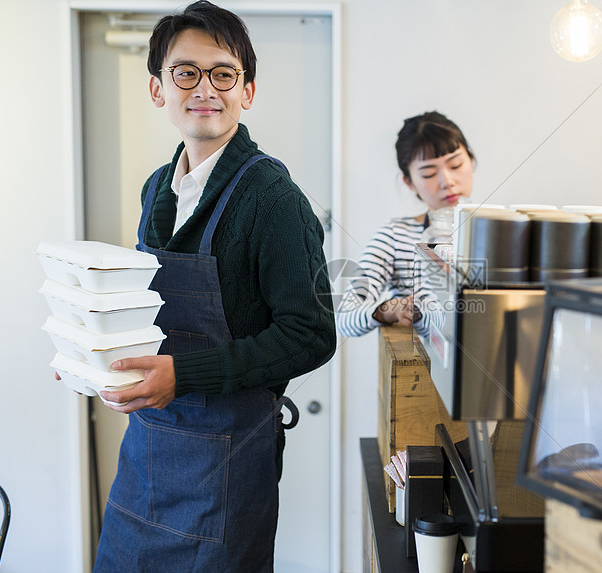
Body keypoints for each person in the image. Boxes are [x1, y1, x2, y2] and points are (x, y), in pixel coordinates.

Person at [91, 2, 336, 570]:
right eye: (185, 72)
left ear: (246, 90)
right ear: (158, 89)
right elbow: (145, 307)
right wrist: (93, 349)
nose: (205, 88)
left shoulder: (272, 199)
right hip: (149, 454)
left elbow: (311, 334)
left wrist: (185, 374)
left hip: (227, 466)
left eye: (223, 73)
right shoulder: (158, 188)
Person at [336, 111, 475, 338]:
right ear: (409, 182)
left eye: (456, 165)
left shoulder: (496, 232)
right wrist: (387, 310)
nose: (447, 182)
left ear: (470, 160)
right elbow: (344, 318)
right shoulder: (395, 236)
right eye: (429, 173)